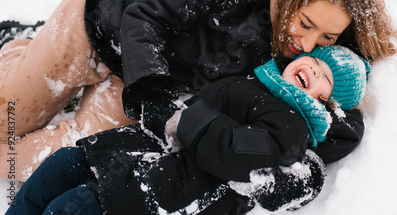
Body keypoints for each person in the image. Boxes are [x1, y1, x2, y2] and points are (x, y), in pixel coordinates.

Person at [0, 0, 397, 179]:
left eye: (326, 39)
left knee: (41, 158)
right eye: (305, 24)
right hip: (101, 26)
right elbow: (145, 17)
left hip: (140, 81)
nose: (308, 45)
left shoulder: (326, 47)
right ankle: (18, 49)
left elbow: (343, 112)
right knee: (10, 116)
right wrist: (154, 95)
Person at [6, 45, 370, 214]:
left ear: (327, 104)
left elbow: (240, 152)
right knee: (58, 168)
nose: (316, 72)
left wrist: (186, 120)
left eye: (326, 80)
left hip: (166, 187)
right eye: (318, 62)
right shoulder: (259, 79)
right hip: (131, 152)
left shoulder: (293, 126)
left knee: (72, 207)